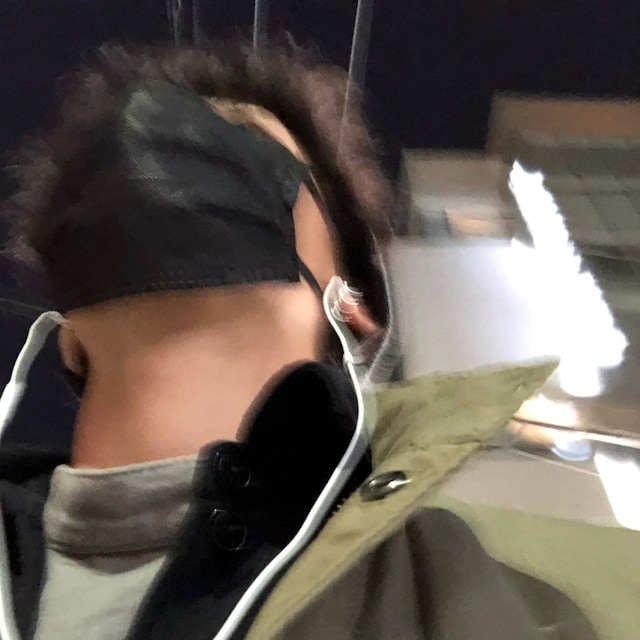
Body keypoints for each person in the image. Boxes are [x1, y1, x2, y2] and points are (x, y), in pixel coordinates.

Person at [0, 41, 631, 640]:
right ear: (69, 338)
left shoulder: (546, 590)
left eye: (241, 138)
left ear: (349, 313)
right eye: (110, 170)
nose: (165, 128)